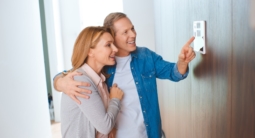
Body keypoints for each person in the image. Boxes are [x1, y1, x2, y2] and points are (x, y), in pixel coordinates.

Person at [54, 12, 195, 138]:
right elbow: (72, 74)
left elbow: (173, 73)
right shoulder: (102, 66)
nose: (133, 34)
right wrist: (60, 82)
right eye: (125, 32)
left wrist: (182, 62)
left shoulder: (145, 57)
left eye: (132, 28)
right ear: (112, 37)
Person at [60, 26, 124, 138]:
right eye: (108, 45)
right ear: (90, 51)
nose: (115, 49)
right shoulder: (80, 80)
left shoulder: (101, 81)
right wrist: (115, 99)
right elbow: (105, 126)